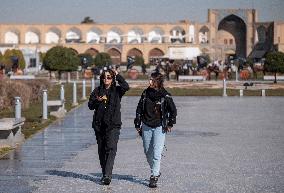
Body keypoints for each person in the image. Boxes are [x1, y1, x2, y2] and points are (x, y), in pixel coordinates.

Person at [134, 72, 177, 188]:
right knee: (148, 153)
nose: (149, 82)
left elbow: (173, 110)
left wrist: (170, 123)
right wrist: (137, 124)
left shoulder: (165, 95)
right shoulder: (145, 93)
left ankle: (154, 176)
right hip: (146, 126)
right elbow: (139, 109)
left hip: (159, 127)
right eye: (149, 80)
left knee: (157, 153)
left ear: (158, 82)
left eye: (152, 80)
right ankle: (156, 170)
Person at [88, 69, 129, 185]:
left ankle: (107, 175)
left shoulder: (117, 91)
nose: (106, 79)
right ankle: (104, 173)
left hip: (113, 125)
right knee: (102, 150)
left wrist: (117, 75)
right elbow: (90, 105)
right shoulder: (97, 91)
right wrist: (97, 100)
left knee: (111, 148)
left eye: (109, 77)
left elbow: (126, 86)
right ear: (101, 78)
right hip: (99, 125)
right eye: (105, 77)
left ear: (112, 79)